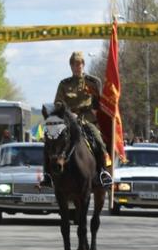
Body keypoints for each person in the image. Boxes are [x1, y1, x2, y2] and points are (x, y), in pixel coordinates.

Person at [44, 51, 112, 187]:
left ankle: (103, 172)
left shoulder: (92, 82)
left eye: (79, 64)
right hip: (68, 120)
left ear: (83, 65)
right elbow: (58, 102)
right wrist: (68, 113)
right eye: (74, 64)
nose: (77, 67)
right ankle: (48, 175)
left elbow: (100, 102)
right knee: (50, 142)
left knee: (99, 142)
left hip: (86, 119)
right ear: (71, 66)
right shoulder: (64, 84)